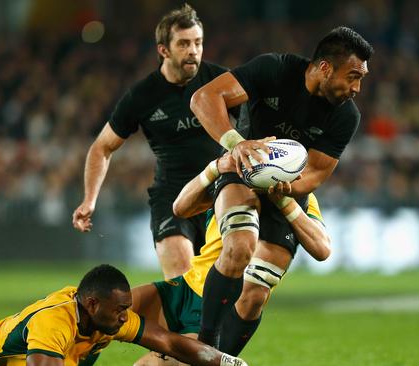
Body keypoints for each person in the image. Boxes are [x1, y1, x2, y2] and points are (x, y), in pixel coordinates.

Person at [189, 26, 373, 347]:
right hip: (242, 169)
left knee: (257, 292)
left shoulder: (346, 116)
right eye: (353, 76)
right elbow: (204, 98)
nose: (357, 87)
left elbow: (315, 173)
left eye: (361, 79)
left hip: (287, 189)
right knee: (239, 248)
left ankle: (224, 356)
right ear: (325, 68)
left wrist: (285, 187)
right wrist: (236, 144)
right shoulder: (274, 69)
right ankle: (204, 348)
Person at [72, 4, 241, 280]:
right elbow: (102, 147)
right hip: (172, 198)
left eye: (198, 43)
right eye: (184, 44)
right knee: (180, 281)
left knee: (221, 291)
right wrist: (89, 200)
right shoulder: (143, 96)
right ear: (163, 50)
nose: (193, 51)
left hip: (220, 194)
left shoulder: (220, 81)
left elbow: (252, 122)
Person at [130, 153, 331, 365]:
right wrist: (215, 167)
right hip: (185, 287)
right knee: (99, 313)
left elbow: (322, 248)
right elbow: (180, 208)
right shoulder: (233, 175)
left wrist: (284, 201)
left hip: (214, 312)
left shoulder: (299, 195)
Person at [0, 266, 248, 366]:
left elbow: (169, 342)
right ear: (92, 304)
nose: (128, 317)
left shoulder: (109, 318)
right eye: (120, 310)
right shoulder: (55, 323)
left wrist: (229, 363)